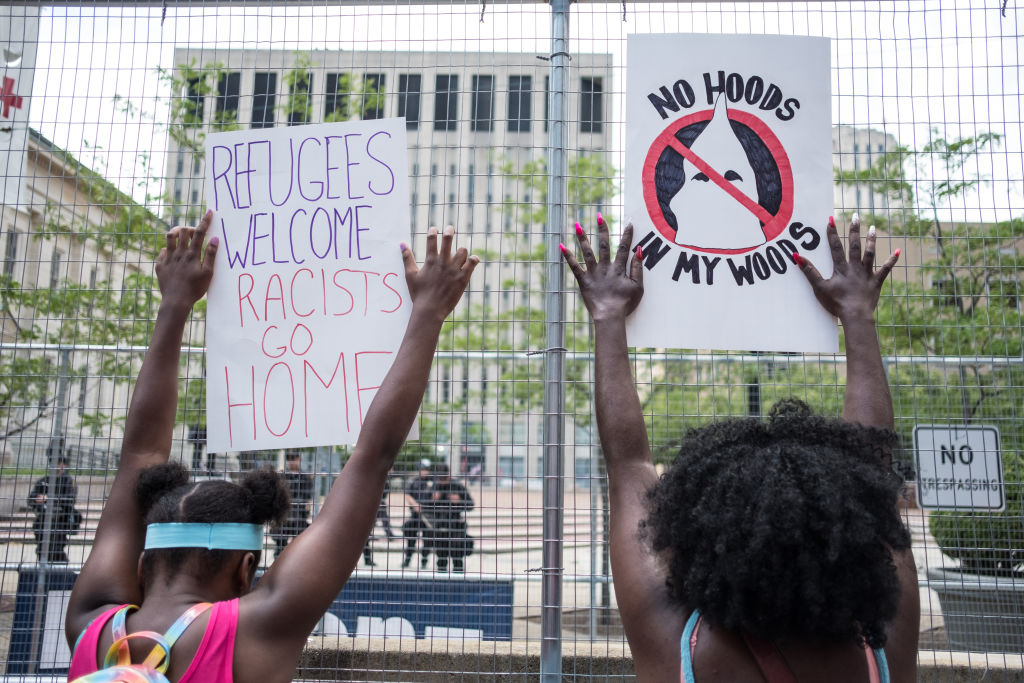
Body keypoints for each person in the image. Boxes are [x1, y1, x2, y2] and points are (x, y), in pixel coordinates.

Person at [63, 213, 478, 682]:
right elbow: (371, 459)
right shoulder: (256, 631)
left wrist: (174, 303)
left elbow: (139, 454)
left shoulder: (88, 625)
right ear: (246, 569)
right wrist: (428, 312)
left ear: (143, 563)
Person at [561, 214, 918, 682]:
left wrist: (608, 315)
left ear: (705, 537)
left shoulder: (676, 647)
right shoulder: (885, 642)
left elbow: (630, 466)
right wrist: (857, 312)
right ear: (854, 531)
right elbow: (871, 463)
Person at [27, 447, 79, 563]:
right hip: (43, 520)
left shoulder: (68, 481)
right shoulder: (43, 481)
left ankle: (59, 570)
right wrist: (39, 499)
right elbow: (31, 498)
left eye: (60, 463)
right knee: (41, 548)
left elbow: (70, 499)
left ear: (64, 465)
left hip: (60, 521)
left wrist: (48, 498)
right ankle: (44, 569)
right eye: (55, 463)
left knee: (56, 548)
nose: (58, 466)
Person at [422, 463, 474, 572]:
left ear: (448, 475)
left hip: (456, 526)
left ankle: (458, 576)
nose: (442, 482)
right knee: (441, 558)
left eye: (444, 478)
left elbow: (471, 505)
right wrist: (432, 500)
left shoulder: (457, 486)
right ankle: (441, 577)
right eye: (440, 479)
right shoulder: (434, 486)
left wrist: (460, 501)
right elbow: (424, 507)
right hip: (439, 527)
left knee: (457, 558)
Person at [272, 450, 314, 558]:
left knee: (299, 545)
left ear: (299, 459)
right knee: (280, 545)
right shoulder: (282, 476)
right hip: (284, 517)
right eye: (288, 458)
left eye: (293, 458)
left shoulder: (305, 478)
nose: (290, 461)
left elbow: (307, 497)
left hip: (298, 516)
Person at [402, 459, 434, 569]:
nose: (424, 471)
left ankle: (424, 562)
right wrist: (415, 505)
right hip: (415, 515)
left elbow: (437, 496)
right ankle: (407, 561)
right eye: (422, 469)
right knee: (411, 540)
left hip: (428, 516)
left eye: (426, 469)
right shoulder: (413, 481)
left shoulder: (433, 481)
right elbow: (407, 494)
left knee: (427, 540)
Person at [362, 472, 397, 567]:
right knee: (366, 533)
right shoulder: (367, 478)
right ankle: (367, 559)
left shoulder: (383, 478)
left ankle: (368, 559)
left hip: (378, 503)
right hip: (368, 506)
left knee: (383, 521)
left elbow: (385, 492)